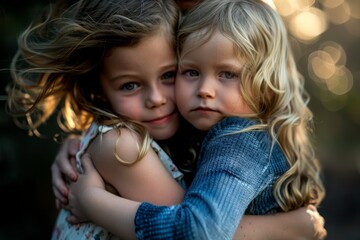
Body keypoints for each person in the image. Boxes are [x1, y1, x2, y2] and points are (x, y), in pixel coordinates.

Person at [7, 0, 326, 239]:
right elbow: (193, 229)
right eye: (130, 85)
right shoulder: (122, 146)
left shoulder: (219, 132)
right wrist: (290, 228)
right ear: (99, 91)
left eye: (170, 74)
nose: (157, 98)